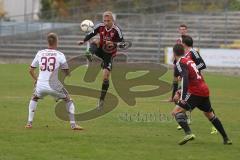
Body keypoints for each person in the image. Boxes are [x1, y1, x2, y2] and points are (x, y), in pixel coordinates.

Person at [171, 44, 232, 145]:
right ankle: (226, 139)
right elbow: (192, 77)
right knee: (210, 115)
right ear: (183, 52)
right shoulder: (189, 61)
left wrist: (182, 97)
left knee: (176, 112)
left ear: (174, 53)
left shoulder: (180, 63)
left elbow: (185, 78)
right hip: (204, 89)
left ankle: (188, 133)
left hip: (195, 92)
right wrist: (179, 91)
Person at [25, 32, 83, 130]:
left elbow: (30, 70)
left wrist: (37, 80)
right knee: (68, 99)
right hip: (54, 85)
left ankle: (29, 123)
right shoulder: (60, 54)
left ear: (47, 42)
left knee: (34, 98)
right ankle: (73, 125)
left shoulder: (40, 53)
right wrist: (68, 73)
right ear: (57, 42)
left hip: (41, 84)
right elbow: (66, 70)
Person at [78, 11, 124, 110]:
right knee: (96, 40)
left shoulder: (117, 30)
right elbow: (91, 33)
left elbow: (123, 43)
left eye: (108, 21)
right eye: (105, 20)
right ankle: (90, 53)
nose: (106, 22)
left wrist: (114, 44)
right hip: (100, 50)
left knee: (105, 78)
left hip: (109, 54)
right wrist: (84, 40)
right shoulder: (100, 26)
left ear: (112, 20)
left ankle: (101, 101)